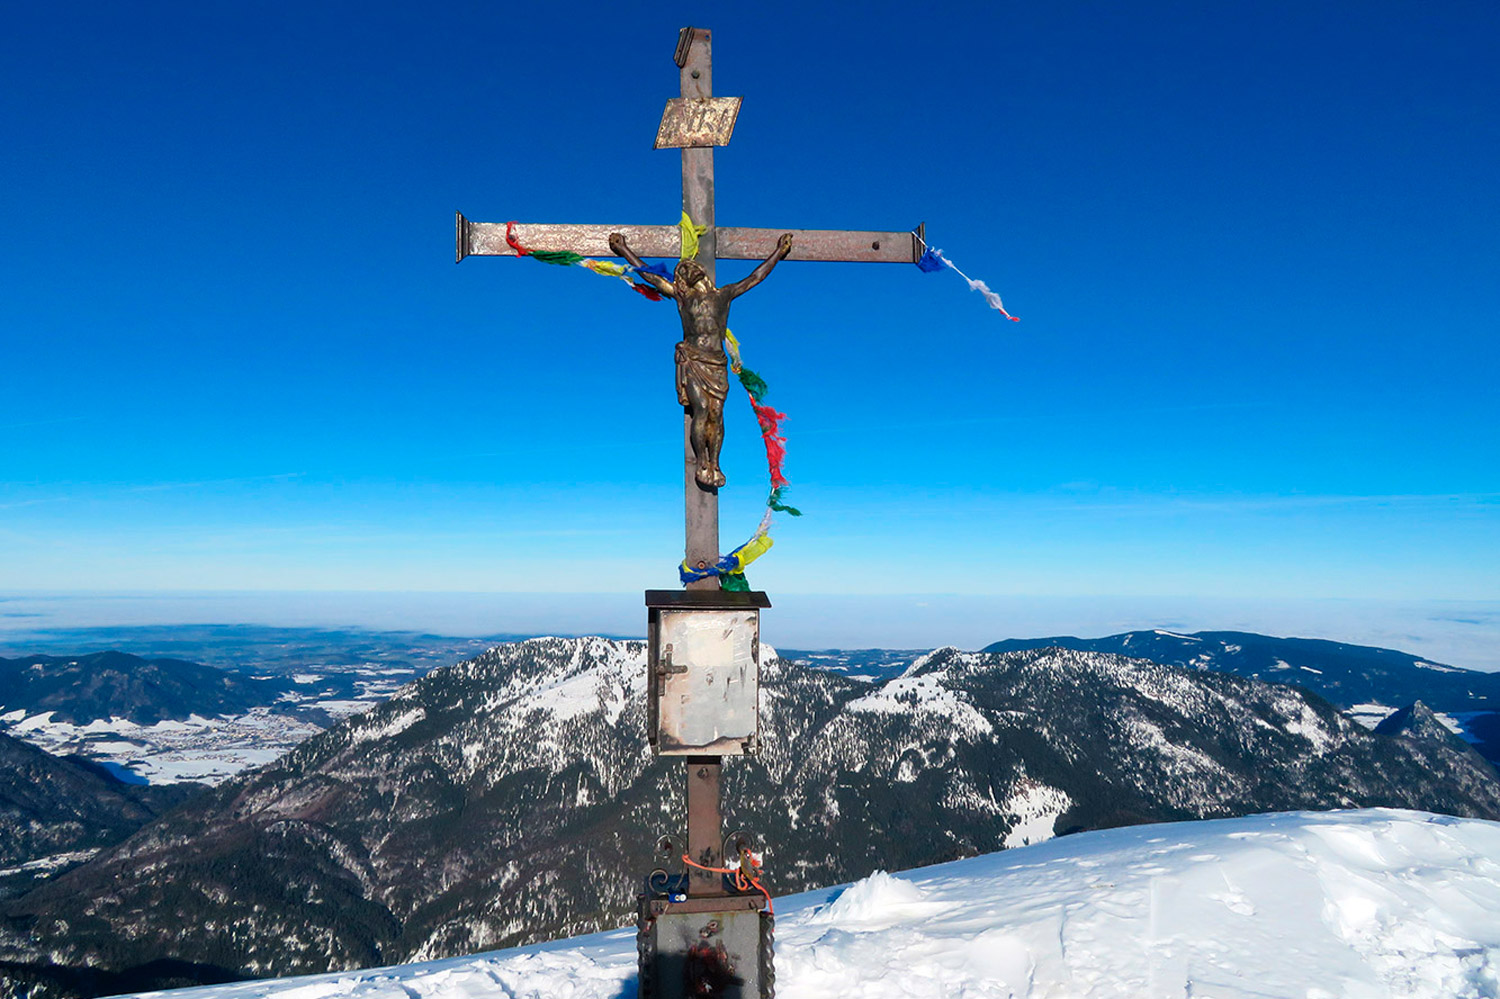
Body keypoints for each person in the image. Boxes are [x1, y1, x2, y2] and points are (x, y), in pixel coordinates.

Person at [609, 231, 794, 488]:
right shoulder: (683, 297)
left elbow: (755, 277)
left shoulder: (723, 295)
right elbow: (649, 275)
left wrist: (779, 253)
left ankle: (715, 463)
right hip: (693, 360)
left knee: (716, 415)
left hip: (716, 361)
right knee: (702, 410)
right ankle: (701, 462)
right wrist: (624, 250)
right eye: (682, 270)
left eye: (690, 267)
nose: (686, 270)